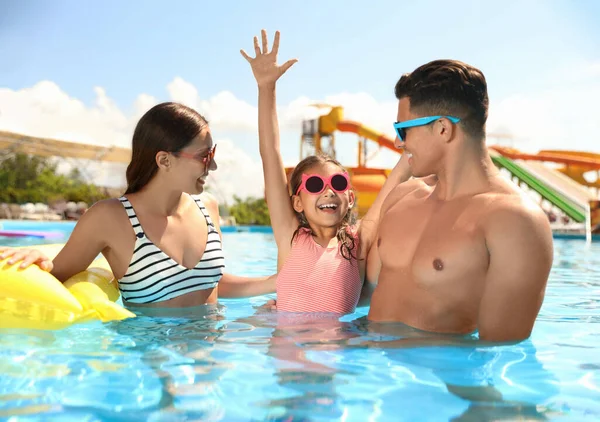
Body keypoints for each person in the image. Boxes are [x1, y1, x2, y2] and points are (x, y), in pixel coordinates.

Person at [0, 102, 276, 308]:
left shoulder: (208, 207)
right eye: (205, 156)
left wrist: (276, 282)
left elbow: (210, 284)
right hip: (153, 368)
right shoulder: (109, 218)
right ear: (164, 160)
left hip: (213, 359)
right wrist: (36, 259)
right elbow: (55, 274)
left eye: (213, 154)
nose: (213, 165)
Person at [365, 59, 554, 342]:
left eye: (403, 129)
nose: (397, 142)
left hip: (435, 382)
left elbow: (498, 351)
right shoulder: (402, 197)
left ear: (443, 128)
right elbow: (363, 295)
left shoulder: (514, 222)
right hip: (365, 369)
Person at [240, 30, 411, 314]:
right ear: (297, 202)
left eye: (339, 182)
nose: (328, 190)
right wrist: (266, 88)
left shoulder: (358, 242)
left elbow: (393, 186)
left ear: (351, 198)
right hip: (288, 355)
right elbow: (270, 154)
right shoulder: (290, 237)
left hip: (337, 355)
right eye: (315, 184)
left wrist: (411, 143)